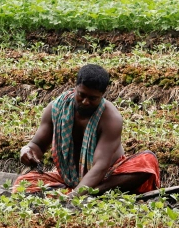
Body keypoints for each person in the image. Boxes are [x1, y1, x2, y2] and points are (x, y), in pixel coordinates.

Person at [16, 64, 160, 195]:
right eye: (81, 95)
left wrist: (75, 196)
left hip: (107, 176)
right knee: (22, 183)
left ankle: (91, 192)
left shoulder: (111, 119)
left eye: (93, 98)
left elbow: (100, 166)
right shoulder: (56, 108)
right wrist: (27, 151)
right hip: (68, 178)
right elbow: (37, 145)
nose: (85, 102)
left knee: (147, 161)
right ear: (75, 88)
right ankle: (81, 192)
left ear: (102, 95)